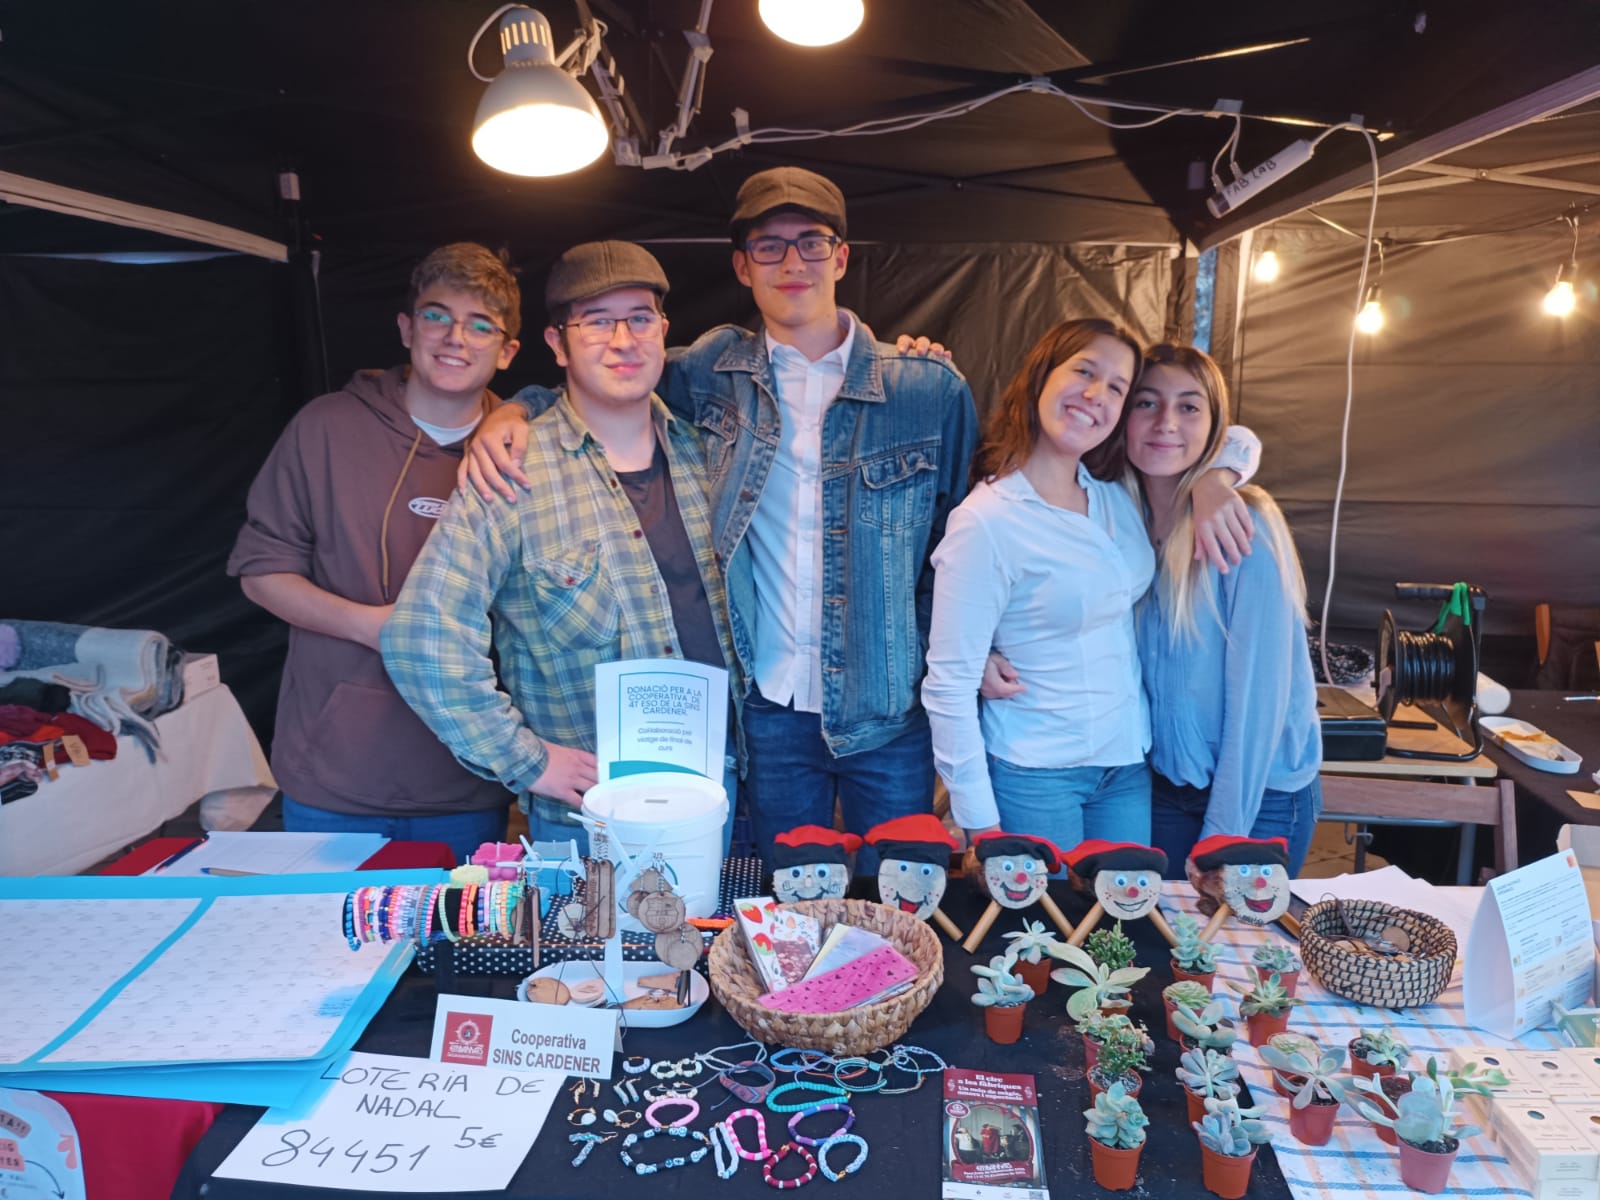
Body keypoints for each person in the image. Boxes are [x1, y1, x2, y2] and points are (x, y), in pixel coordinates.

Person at [462, 167, 980, 870]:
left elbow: (957, 550)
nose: (792, 262)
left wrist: (951, 652)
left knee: (903, 897)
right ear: (742, 266)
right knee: (785, 899)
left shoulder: (927, 389)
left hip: (887, 714)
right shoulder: (711, 372)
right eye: (769, 246)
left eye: (811, 242)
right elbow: (603, 371)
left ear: (841, 258)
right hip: (765, 712)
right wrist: (513, 410)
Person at [380, 241, 741, 847]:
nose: (622, 341)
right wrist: (529, 761)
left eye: (639, 318)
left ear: (663, 331)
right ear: (557, 343)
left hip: (734, 795)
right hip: (594, 824)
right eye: (597, 322)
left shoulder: (713, 455)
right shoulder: (512, 472)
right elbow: (422, 636)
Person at [227, 243, 522, 862]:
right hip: (334, 777)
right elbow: (261, 571)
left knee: (452, 927)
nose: (455, 338)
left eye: (481, 325)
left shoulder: (527, 451)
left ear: (507, 351)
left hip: (466, 778)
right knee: (326, 926)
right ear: (407, 328)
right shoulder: (325, 427)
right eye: (437, 316)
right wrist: (374, 627)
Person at [923, 319, 1155, 852]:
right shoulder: (988, 520)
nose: (1096, 395)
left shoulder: (1116, 496)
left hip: (1126, 765)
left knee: (1126, 908)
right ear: (1041, 376)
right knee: (1047, 911)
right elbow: (949, 686)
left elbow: (1212, 444)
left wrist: (1219, 483)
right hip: (1036, 773)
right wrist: (980, 824)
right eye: (1085, 371)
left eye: (1117, 388)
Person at [1127, 344, 1321, 876]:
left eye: (1189, 406)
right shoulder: (1118, 519)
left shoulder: (1242, 525)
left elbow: (1260, 701)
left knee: (1237, 932)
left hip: (1259, 795)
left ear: (1214, 426)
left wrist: (1223, 834)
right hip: (1165, 786)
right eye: (1146, 402)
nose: (1166, 422)